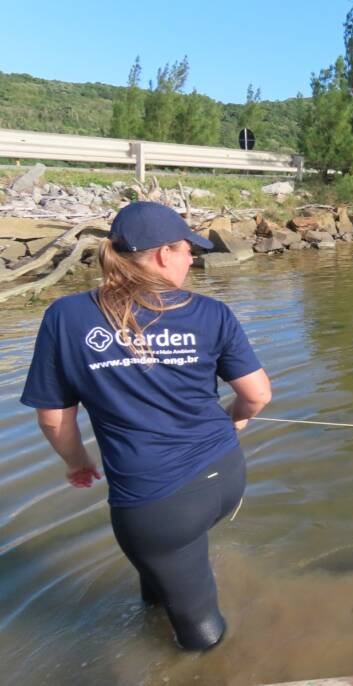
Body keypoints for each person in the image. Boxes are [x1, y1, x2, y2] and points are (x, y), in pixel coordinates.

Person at [20, 202, 272, 651]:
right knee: (164, 571)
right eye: (188, 250)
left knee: (200, 633)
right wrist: (235, 421)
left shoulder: (66, 317)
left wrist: (77, 463)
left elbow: (53, 417)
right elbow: (257, 395)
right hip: (225, 476)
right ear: (162, 254)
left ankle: (214, 668)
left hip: (155, 504)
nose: (192, 259)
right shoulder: (213, 313)